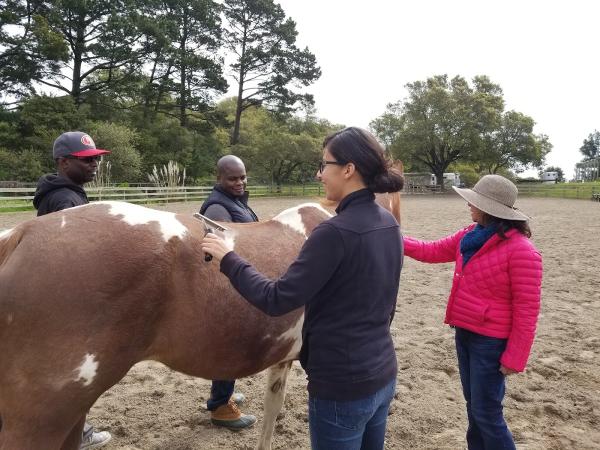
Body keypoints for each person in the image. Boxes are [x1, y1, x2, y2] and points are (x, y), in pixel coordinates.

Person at [202, 127, 404, 450]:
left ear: (349, 170)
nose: (319, 173)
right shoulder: (389, 223)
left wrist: (229, 259)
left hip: (340, 387)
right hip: (382, 374)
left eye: (325, 164)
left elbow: (276, 298)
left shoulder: (332, 233)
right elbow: (389, 305)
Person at [402, 174, 542, 450]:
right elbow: (431, 250)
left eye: (474, 201)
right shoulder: (470, 236)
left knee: (487, 414)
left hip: (491, 343)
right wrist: (394, 238)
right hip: (465, 334)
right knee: (474, 407)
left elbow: (527, 311)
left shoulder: (522, 251)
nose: (468, 205)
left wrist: (515, 357)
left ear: (490, 208)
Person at [32, 131, 113, 449]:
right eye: (86, 160)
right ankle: (75, 433)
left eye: (96, 158)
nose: (95, 164)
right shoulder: (66, 200)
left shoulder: (66, 194)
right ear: (63, 162)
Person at [199, 155, 257, 430]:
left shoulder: (235, 202)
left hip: (238, 279)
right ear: (219, 178)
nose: (240, 182)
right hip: (227, 285)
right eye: (232, 178)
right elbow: (221, 252)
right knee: (229, 344)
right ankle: (221, 407)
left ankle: (223, 394)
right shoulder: (218, 209)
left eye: (242, 177)